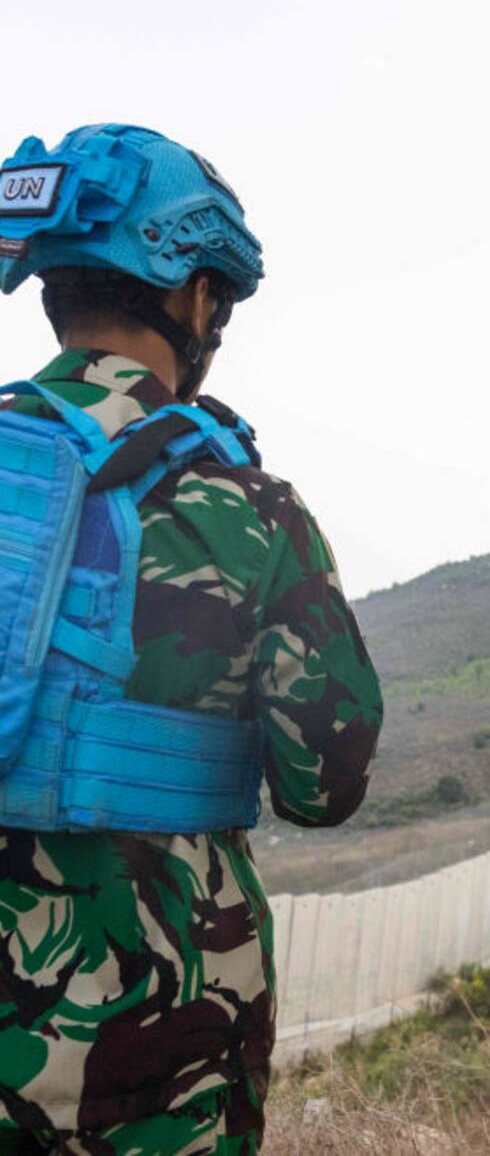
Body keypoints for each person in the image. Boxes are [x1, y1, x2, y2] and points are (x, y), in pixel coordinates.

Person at [0, 124, 382, 1154]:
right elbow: (325, 783)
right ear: (197, 297)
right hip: (150, 1049)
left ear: (52, 285)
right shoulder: (246, 510)